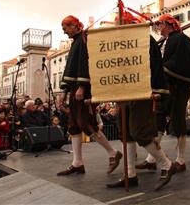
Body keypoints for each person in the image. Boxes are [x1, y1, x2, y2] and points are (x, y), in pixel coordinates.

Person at [106, 13, 176, 191]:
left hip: (143, 92)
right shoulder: (125, 43)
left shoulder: (144, 39)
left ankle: (167, 165)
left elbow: (151, 67)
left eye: (119, 25)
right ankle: (130, 174)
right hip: (128, 93)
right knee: (127, 133)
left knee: (140, 132)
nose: (116, 29)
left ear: (129, 24)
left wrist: (154, 91)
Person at [57, 15, 122, 176]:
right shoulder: (76, 43)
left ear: (73, 25)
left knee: (87, 124)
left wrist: (81, 86)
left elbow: (86, 64)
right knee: (73, 126)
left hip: (83, 90)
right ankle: (77, 162)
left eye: (65, 28)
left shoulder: (85, 40)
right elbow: (70, 69)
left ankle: (113, 153)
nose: (64, 32)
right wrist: (64, 92)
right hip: (74, 90)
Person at [154, 13, 190, 172]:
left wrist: (162, 67)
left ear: (167, 25)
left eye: (159, 24)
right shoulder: (168, 40)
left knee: (178, 122)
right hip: (166, 86)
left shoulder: (180, 39)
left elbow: (180, 62)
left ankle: (181, 160)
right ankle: (151, 158)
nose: (157, 28)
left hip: (177, 87)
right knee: (159, 119)